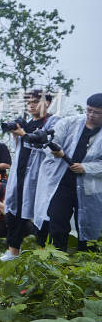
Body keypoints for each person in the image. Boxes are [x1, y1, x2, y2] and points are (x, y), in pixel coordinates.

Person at [33, 93, 102, 252]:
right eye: (89, 111)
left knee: (87, 225)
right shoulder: (72, 122)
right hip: (62, 182)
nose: (91, 115)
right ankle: (58, 258)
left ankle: (86, 263)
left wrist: (86, 168)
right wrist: (56, 151)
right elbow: (54, 140)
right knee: (57, 219)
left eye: (96, 113)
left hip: (89, 187)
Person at [0, 90, 60, 262]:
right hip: (20, 172)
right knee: (14, 211)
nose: (31, 105)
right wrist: (17, 133)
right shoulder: (25, 124)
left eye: (36, 101)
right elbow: (19, 147)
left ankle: (43, 251)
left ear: (47, 103)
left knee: (42, 212)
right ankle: (13, 251)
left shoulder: (54, 122)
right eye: (29, 102)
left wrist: (24, 135)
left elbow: (50, 147)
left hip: (42, 176)